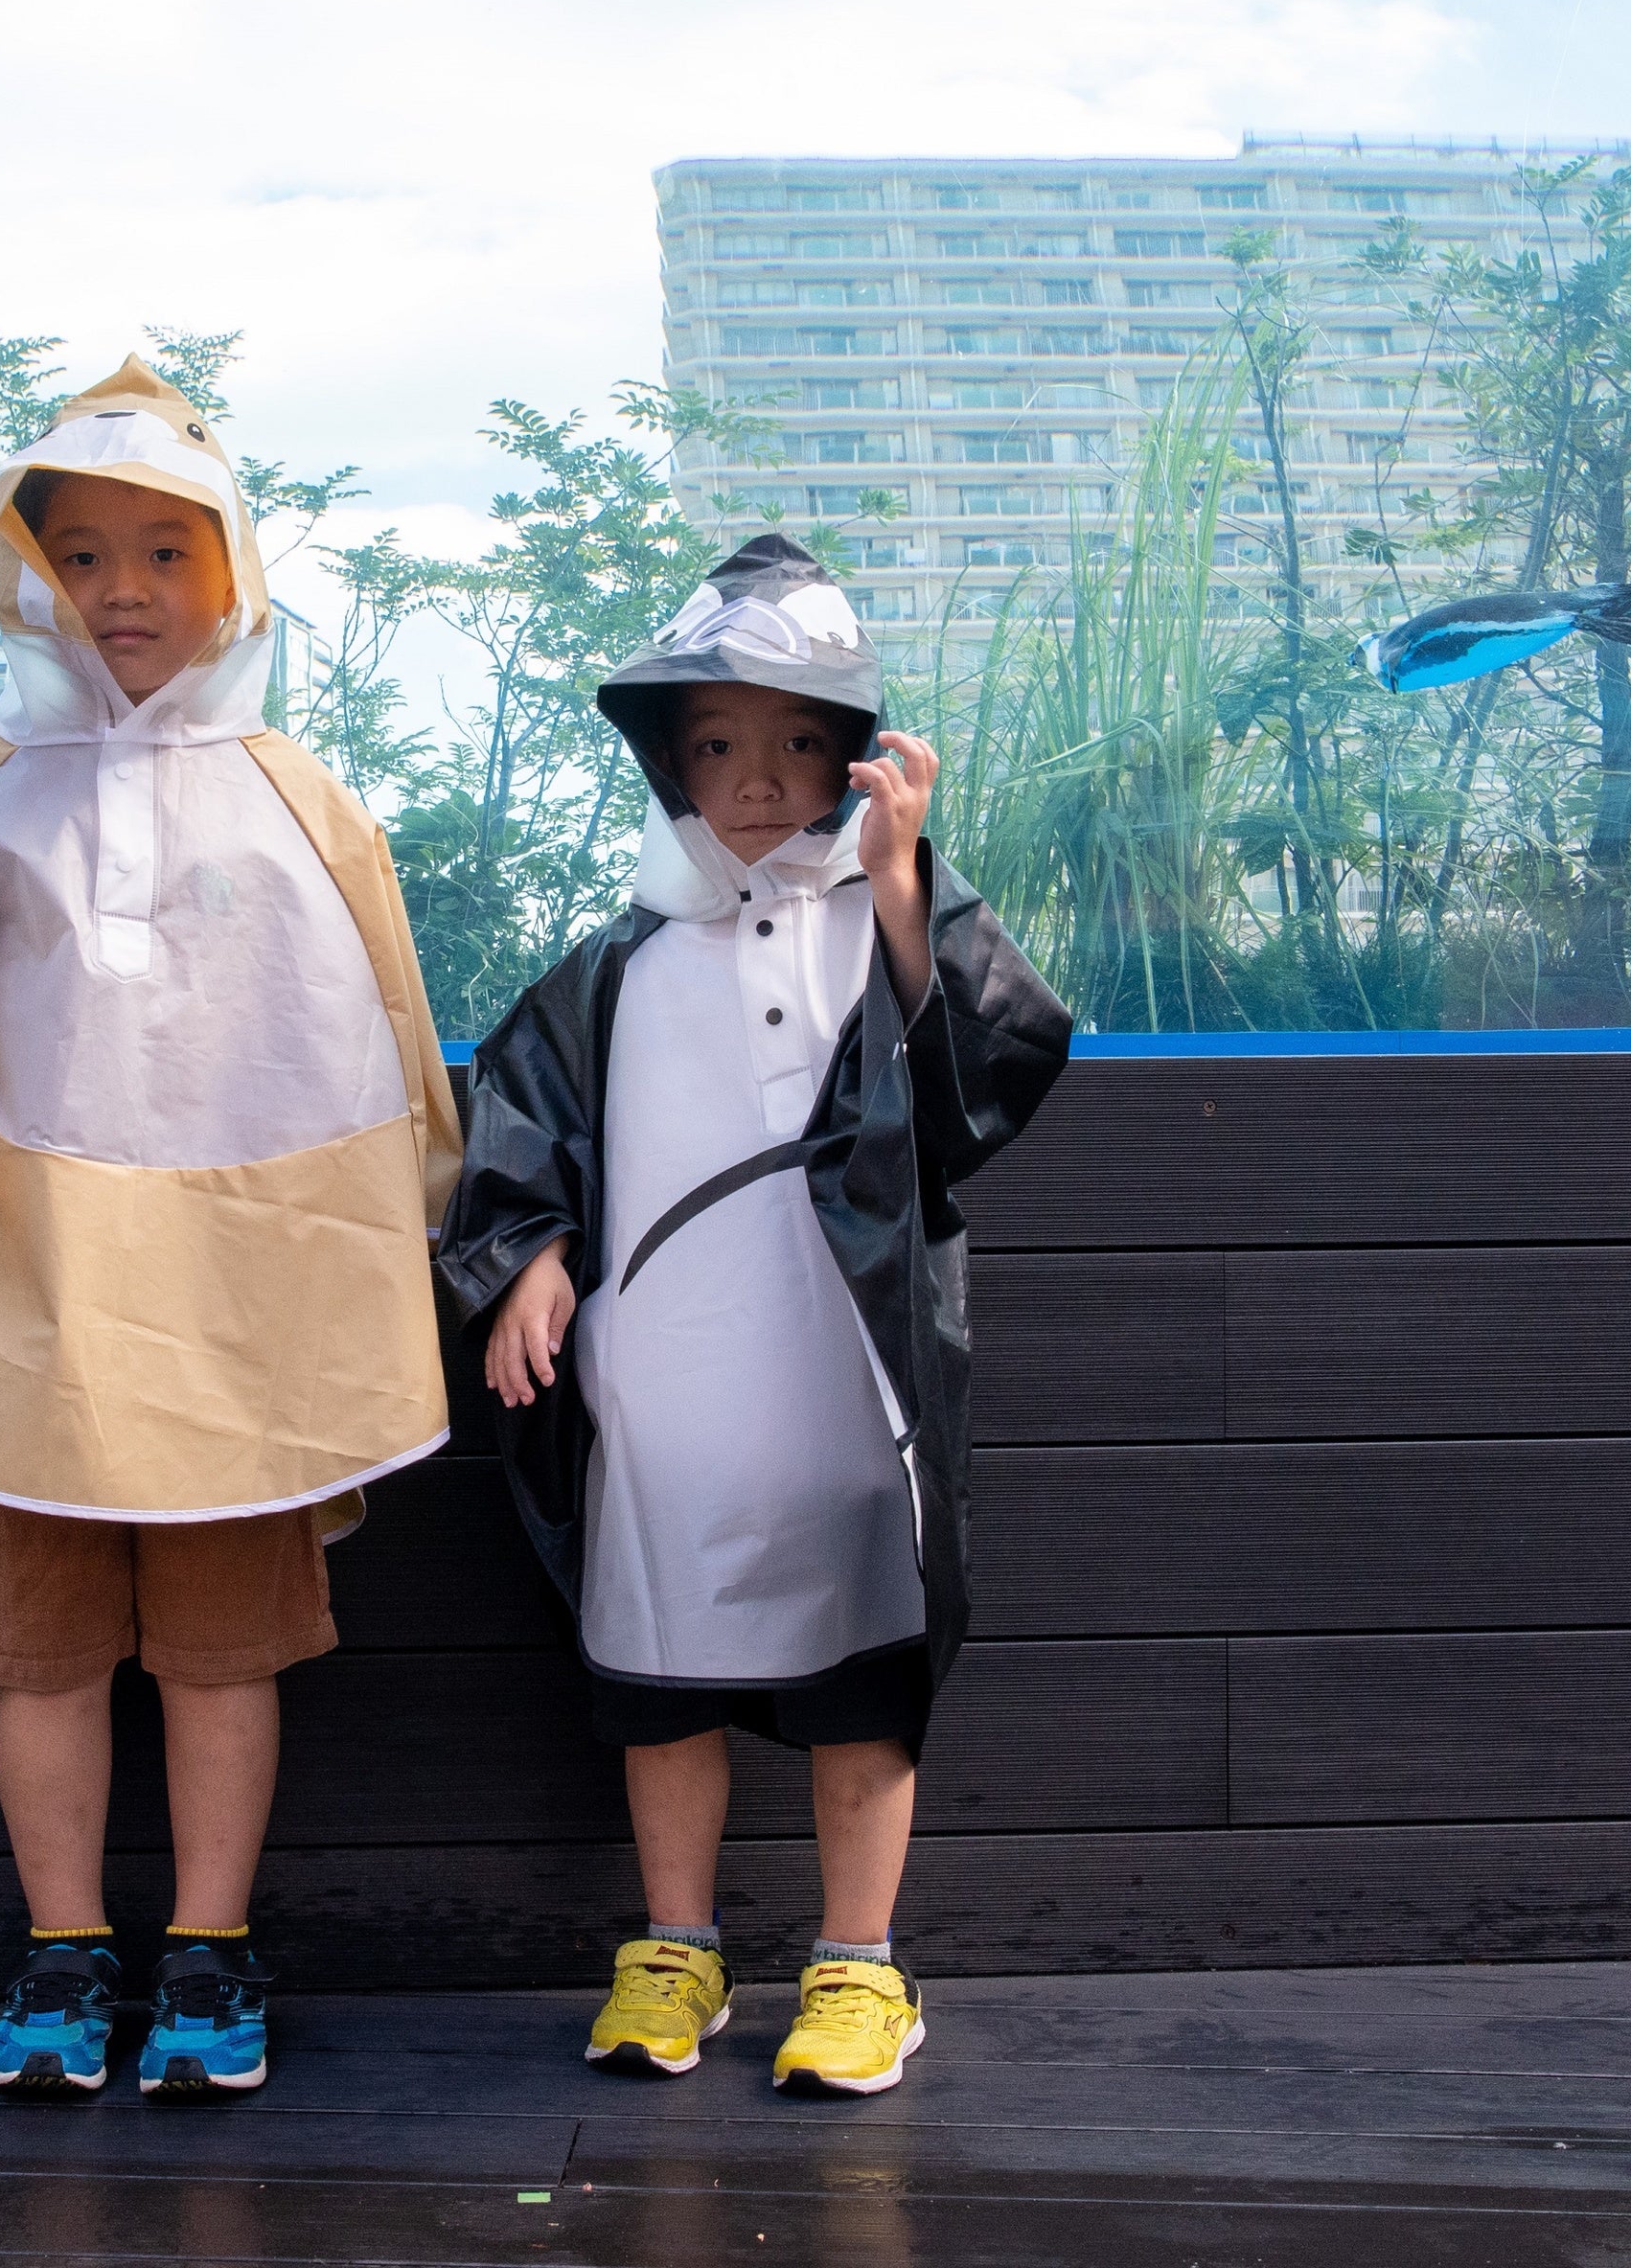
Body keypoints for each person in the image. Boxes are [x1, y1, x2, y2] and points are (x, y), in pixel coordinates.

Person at [0, 357, 458, 2102]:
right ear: (30, 575)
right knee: (40, 1643)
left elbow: (381, 1043)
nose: (126, 592)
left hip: (246, 1297)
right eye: (85, 554)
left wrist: (393, 1258)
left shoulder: (304, 796)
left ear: (233, 572)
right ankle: (66, 1948)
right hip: (36, 1293)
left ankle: (212, 1951)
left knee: (229, 1647)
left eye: (167, 551)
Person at [440, 535, 1068, 2096]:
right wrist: (527, 1260)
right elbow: (516, 1133)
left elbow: (990, 1081)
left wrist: (907, 887)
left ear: (856, 757)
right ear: (668, 762)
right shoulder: (614, 970)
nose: (757, 779)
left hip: (848, 1384)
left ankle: (860, 1963)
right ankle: (675, 1947)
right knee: (660, 1677)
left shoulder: (890, 925)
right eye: (716, 743)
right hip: (665, 1391)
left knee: (869, 1681)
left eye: (799, 741)